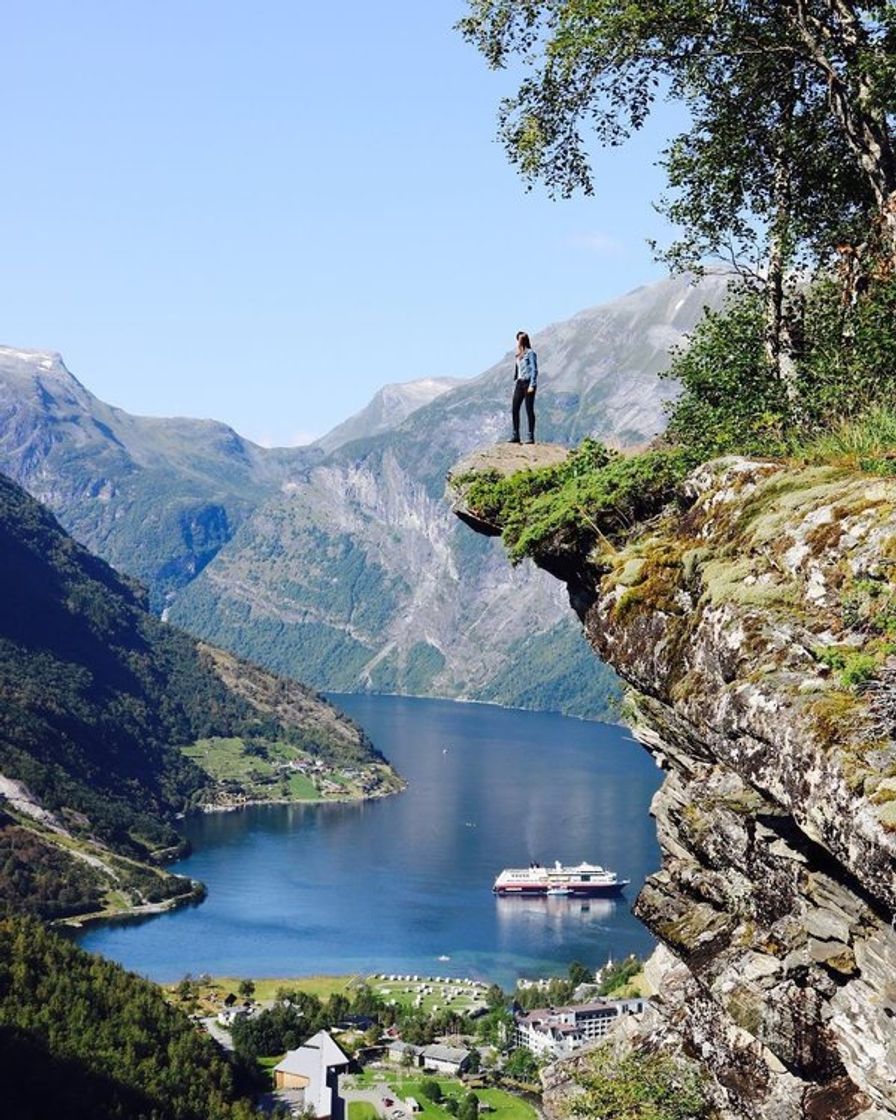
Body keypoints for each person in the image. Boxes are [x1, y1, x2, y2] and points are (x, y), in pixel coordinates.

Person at [509, 331, 538, 444]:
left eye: (519, 340)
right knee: (515, 408)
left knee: (529, 410)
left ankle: (530, 436)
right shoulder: (518, 355)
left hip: (528, 383)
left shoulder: (530, 353)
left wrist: (532, 384)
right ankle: (516, 434)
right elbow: (518, 370)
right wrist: (515, 380)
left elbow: (534, 369)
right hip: (520, 383)